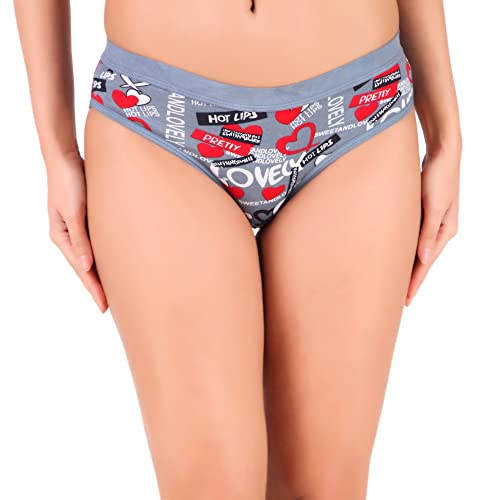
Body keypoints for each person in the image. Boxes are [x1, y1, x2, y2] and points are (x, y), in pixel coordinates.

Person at [13, 0, 461, 498]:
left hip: (359, 107)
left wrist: (446, 135)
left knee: (324, 487)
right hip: (158, 117)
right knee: (211, 485)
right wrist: (56, 150)